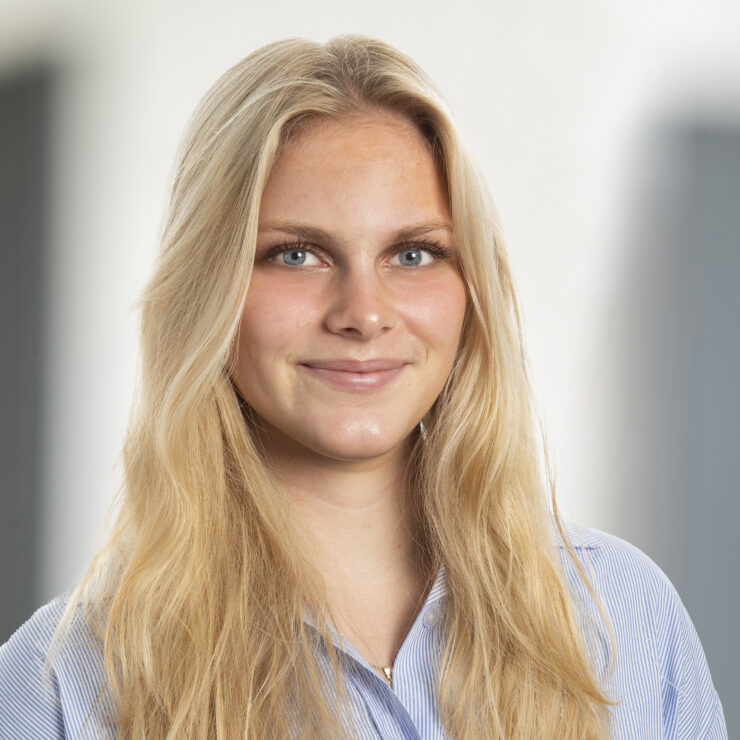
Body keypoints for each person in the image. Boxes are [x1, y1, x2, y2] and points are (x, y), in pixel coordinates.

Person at [0, 35, 728, 740]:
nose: (364, 313)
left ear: (471, 288)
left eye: (413, 253)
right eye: (297, 254)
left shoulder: (625, 617)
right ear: (208, 289)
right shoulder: (59, 688)